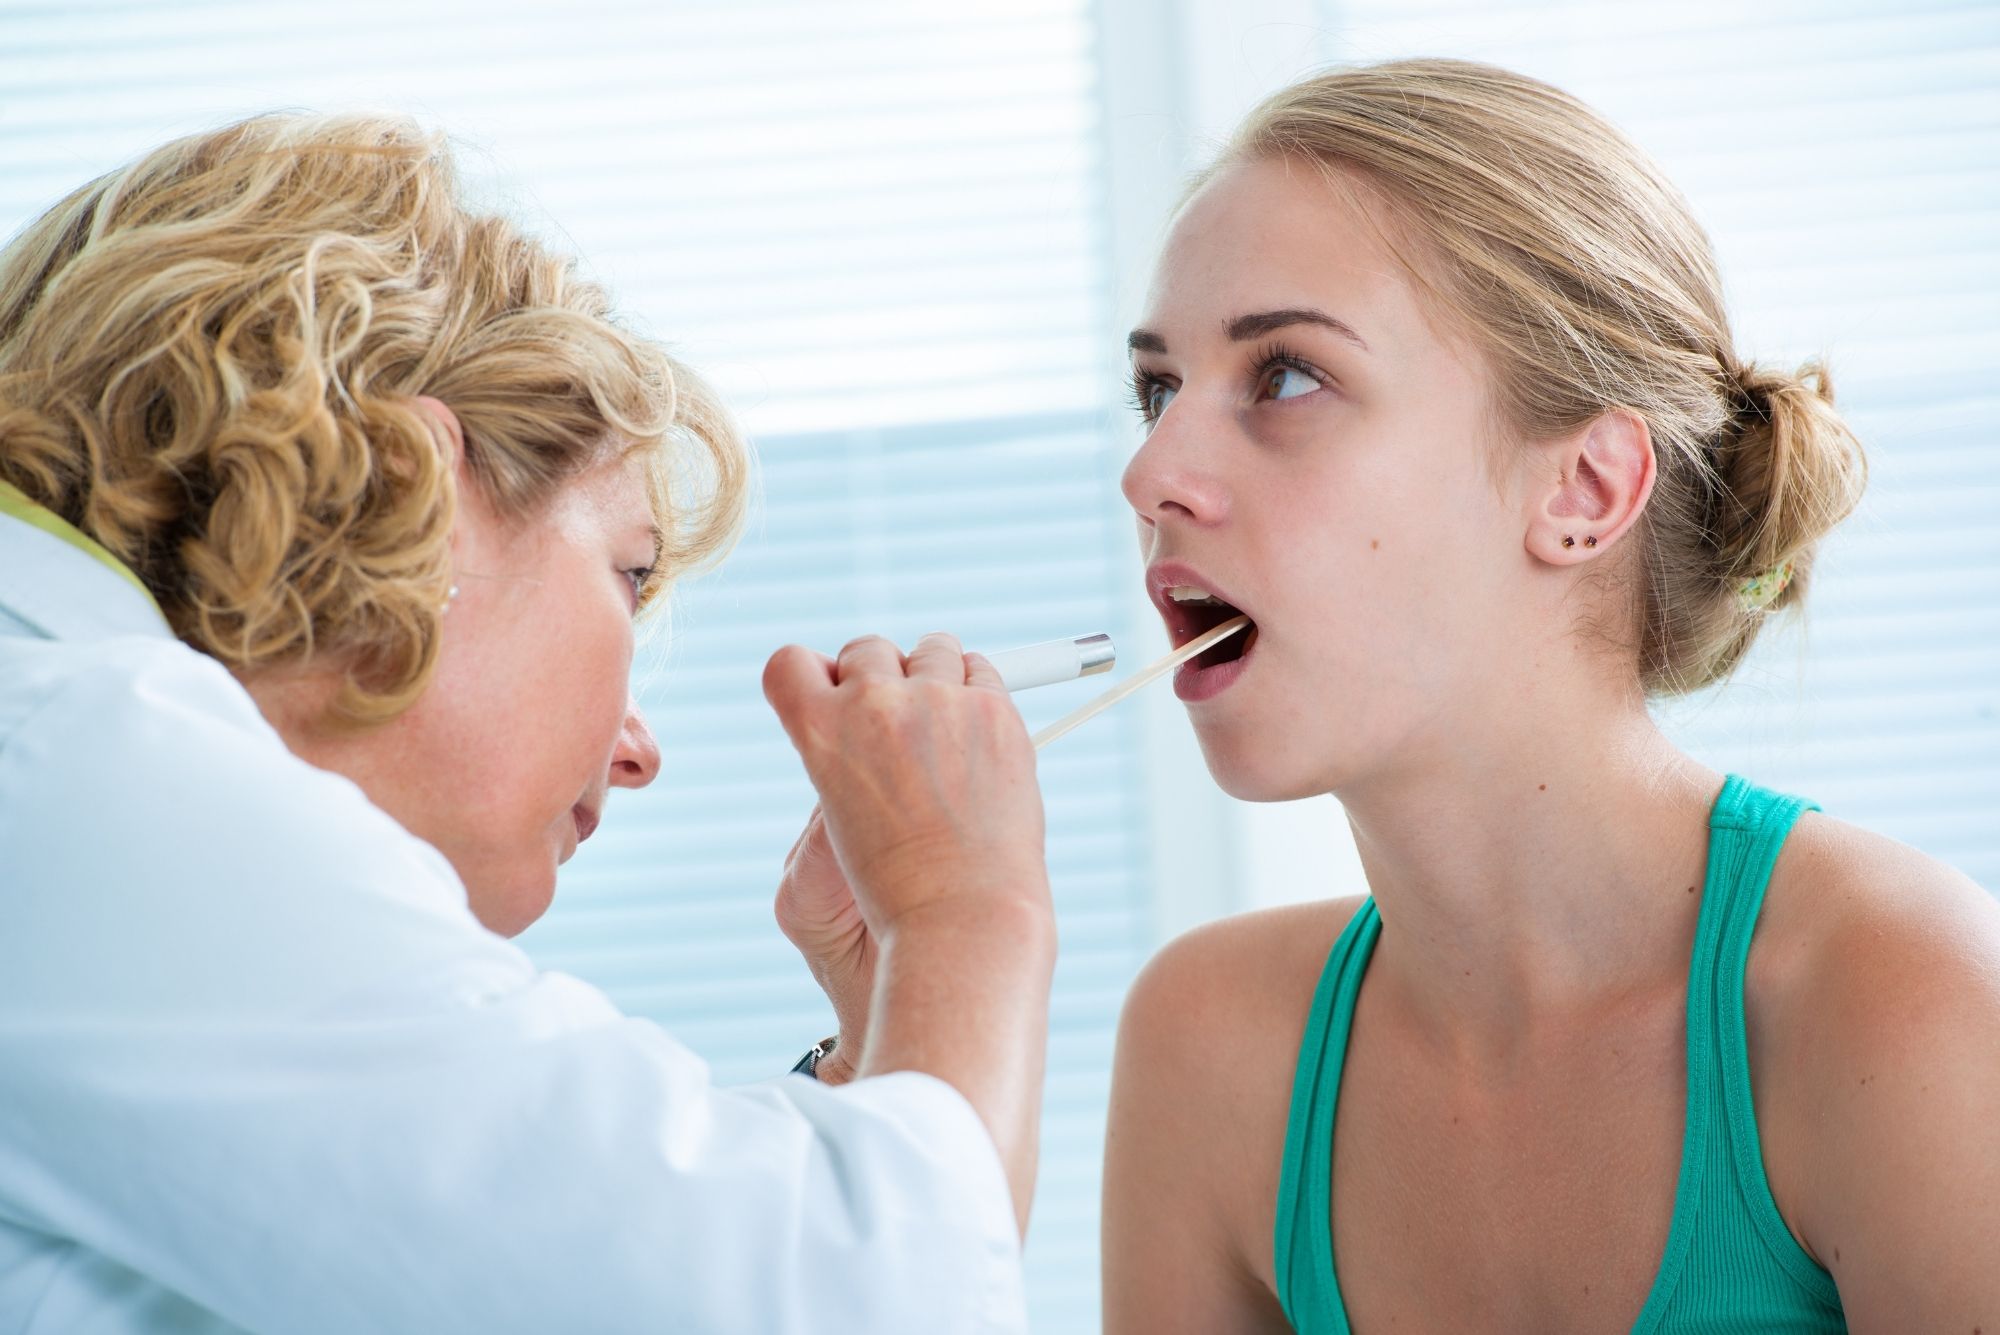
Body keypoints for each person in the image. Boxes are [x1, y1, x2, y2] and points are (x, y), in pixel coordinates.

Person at [0, 113, 1054, 1334]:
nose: (638, 751)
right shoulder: (87, 775)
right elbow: (853, 1300)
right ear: (412, 493)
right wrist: (963, 906)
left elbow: (542, 1248)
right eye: (627, 572)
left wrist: (881, 1048)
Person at [1101, 59, 2000, 1333]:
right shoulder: (1208, 1049)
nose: (1150, 472)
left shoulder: (1898, 1003)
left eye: (1285, 375)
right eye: (1156, 390)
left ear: (1581, 490)